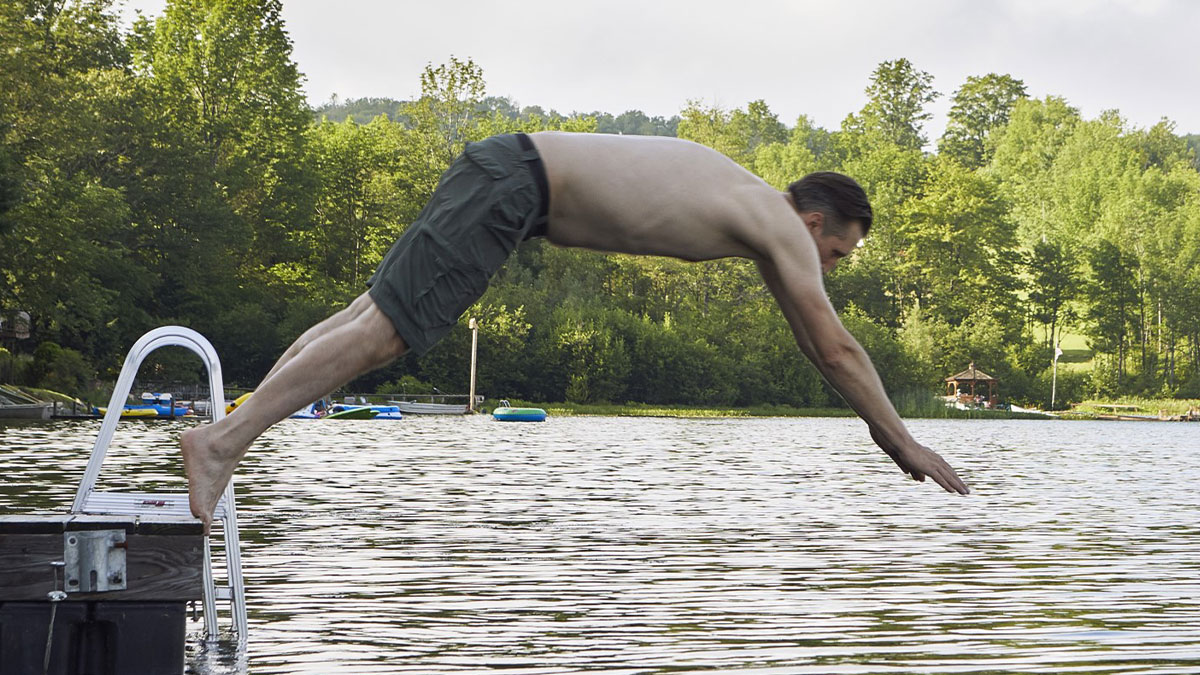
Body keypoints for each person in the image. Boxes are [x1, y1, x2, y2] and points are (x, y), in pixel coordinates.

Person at [182, 131, 968, 531]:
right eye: (838, 249)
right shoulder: (783, 227)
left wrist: (880, 429)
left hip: (505, 172)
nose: (829, 265)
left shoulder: (756, 211)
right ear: (815, 219)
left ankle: (228, 431)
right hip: (516, 188)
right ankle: (224, 444)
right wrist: (901, 439)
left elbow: (816, 340)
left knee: (366, 315)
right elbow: (835, 345)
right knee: (389, 332)